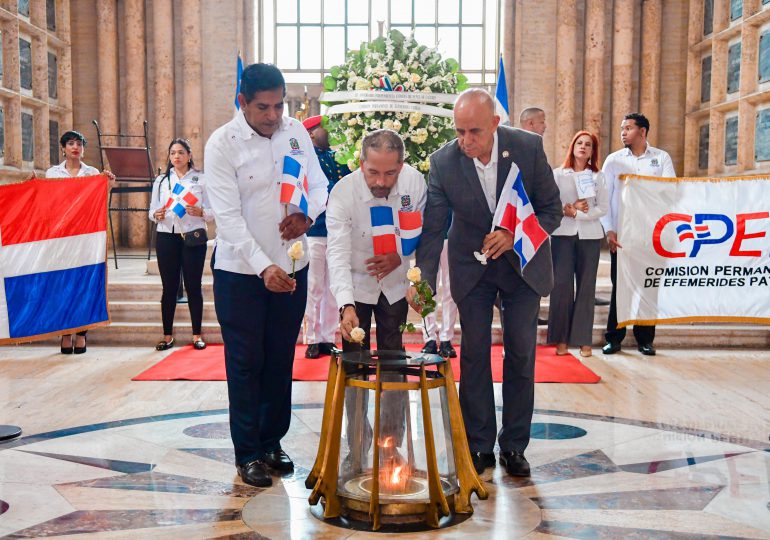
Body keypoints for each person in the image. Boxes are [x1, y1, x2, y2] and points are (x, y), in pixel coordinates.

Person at [412, 89, 562, 478]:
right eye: (459, 131)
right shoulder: (444, 162)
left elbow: (550, 210)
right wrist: (424, 282)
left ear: (496, 124)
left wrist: (514, 234)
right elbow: (432, 231)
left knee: (521, 354)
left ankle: (514, 446)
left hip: (521, 264)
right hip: (472, 266)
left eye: (474, 131)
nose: (466, 141)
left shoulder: (527, 148)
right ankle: (479, 445)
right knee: (475, 354)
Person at [204, 63, 328, 488]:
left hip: (293, 264)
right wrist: (264, 266)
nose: (274, 115)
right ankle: (248, 452)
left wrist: (307, 215)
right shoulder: (222, 144)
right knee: (245, 362)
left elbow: (319, 184)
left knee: (279, 358)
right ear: (242, 102)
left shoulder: (295, 133)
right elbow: (228, 218)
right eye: (263, 107)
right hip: (242, 273)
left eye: (279, 105)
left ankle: (272, 442)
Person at [327, 129, 427, 463]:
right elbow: (337, 254)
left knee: (394, 360)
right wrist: (346, 305)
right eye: (373, 172)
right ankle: (357, 440)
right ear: (360, 162)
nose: (381, 181)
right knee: (355, 364)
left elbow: (420, 236)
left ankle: (390, 441)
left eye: (390, 173)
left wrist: (401, 258)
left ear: (402, 165)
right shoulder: (343, 192)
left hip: (395, 284)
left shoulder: (414, 184)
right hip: (356, 283)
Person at [600, 113, 675, 357]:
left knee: (649, 287)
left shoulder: (661, 158)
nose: (623, 132)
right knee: (620, 288)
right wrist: (609, 229)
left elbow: (669, 190)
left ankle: (645, 340)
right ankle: (614, 338)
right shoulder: (613, 161)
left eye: (628, 128)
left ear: (642, 132)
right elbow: (604, 198)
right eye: (622, 128)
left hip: (652, 236)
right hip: (622, 237)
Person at [46, 130, 115, 355]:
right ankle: (66, 333)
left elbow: (98, 199)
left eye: (79, 144)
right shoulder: (52, 173)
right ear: (64, 148)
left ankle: (82, 334)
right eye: (71, 143)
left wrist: (109, 184)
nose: (75, 147)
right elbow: (47, 203)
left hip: (86, 236)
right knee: (63, 285)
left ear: (83, 149)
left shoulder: (92, 172)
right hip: (62, 237)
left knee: (84, 284)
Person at [148, 138, 213, 351]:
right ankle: (167, 336)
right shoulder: (161, 181)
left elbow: (214, 211)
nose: (176, 156)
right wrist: (155, 215)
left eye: (181, 152)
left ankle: (197, 335)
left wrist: (202, 212)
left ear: (189, 155)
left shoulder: (201, 179)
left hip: (193, 236)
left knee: (194, 286)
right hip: (167, 236)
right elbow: (152, 211)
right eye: (173, 153)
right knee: (169, 288)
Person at [548, 131, 608, 358]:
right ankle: (561, 340)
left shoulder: (598, 176)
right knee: (562, 287)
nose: (583, 147)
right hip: (562, 235)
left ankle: (583, 340)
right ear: (572, 146)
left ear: (593, 151)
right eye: (580, 143)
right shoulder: (558, 174)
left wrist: (578, 215)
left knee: (586, 288)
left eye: (588, 145)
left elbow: (602, 207)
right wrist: (568, 209)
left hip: (590, 236)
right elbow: (552, 202)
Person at [302, 115, 350, 359]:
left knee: (333, 288)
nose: (329, 132)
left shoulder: (337, 158)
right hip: (316, 230)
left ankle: (327, 338)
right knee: (313, 287)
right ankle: (311, 338)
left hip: (337, 231)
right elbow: (326, 189)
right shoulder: (307, 160)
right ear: (311, 133)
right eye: (324, 128)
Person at [420, 212, 458, 358]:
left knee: (451, 289)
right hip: (427, 236)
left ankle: (446, 339)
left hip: (452, 235)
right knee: (427, 289)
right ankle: (429, 338)